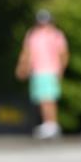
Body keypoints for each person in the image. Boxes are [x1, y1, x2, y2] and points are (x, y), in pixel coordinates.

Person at [15, 10, 69, 139]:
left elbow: (64, 54)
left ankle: (51, 124)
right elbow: (26, 52)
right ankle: (48, 123)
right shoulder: (32, 34)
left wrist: (61, 69)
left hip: (50, 69)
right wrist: (22, 67)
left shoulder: (56, 35)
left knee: (48, 98)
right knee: (41, 98)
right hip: (36, 70)